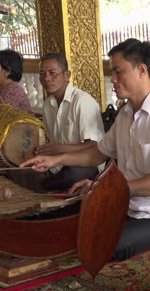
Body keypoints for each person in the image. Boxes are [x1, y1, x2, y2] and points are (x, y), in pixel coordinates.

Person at [21, 39, 150, 261]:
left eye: (118, 72)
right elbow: (98, 153)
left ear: (141, 70)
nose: (112, 79)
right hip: (124, 205)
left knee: (106, 247)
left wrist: (109, 190)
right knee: (53, 222)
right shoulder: (125, 114)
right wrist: (55, 160)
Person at [36, 52, 105, 191]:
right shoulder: (48, 104)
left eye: (52, 73)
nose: (46, 78)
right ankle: (44, 187)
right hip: (59, 162)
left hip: (86, 164)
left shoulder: (82, 101)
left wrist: (59, 148)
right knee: (27, 167)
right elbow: (52, 142)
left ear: (67, 75)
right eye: (42, 74)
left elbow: (95, 146)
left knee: (72, 174)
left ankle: (44, 188)